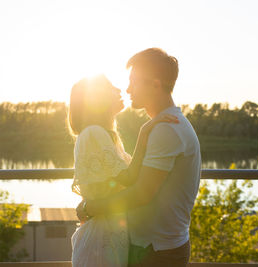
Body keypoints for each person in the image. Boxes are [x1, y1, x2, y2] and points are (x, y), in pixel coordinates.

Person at [76, 48, 201, 267]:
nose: (128, 88)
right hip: (151, 246)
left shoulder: (167, 129)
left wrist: (90, 208)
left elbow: (141, 194)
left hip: (157, 251)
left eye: (134, 82)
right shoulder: (163, 125)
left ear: (155, 84)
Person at [69, 74, 179, 267]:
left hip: (109, 236)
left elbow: (127, 177)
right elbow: (128, 178)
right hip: (100, 241)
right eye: (111, 88)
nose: (120, 91)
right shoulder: (93, 133)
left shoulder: (104, 134)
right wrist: (143, 135)